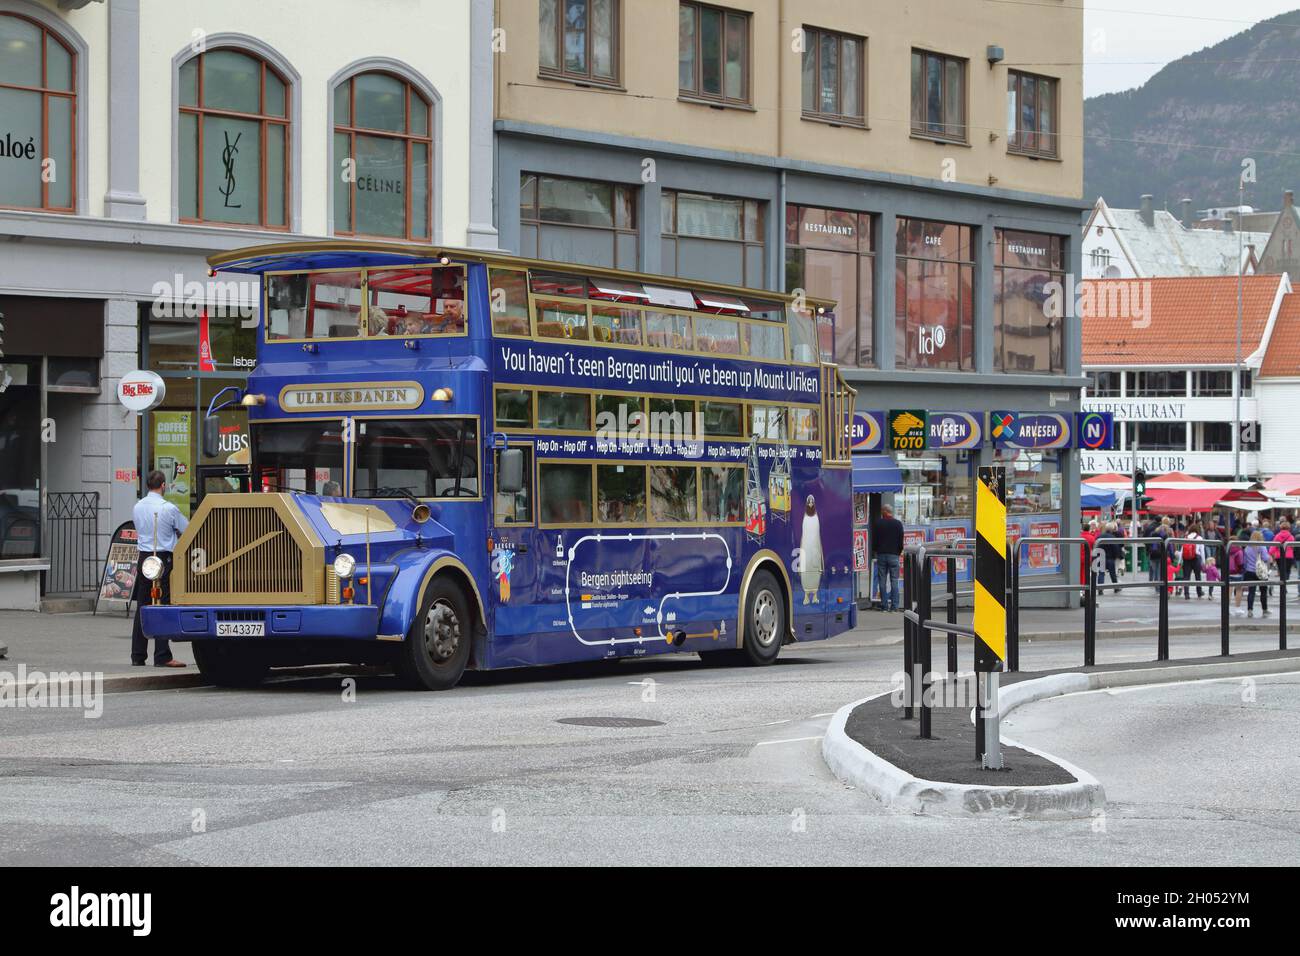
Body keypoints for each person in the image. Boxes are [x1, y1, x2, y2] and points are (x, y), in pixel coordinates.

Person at [131, 470, 189, 668]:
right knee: (162, 605)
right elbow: (186, 529)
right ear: (163, 485)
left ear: (148, 485)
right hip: (163, 558)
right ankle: (162, 655)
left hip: (144, 559)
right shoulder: (168, 508)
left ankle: (137, 655)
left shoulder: (138, 507)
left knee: (143, 605)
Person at [872, 503, 905, 612]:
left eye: (882, 511)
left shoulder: (878, 524)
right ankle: (894, 606)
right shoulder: (898, 524)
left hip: (881, 555)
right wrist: (898, 552)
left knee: (882, 580)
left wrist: (876, 550)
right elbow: (901, 542)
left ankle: (884, 605)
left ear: (885, 512)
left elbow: (874, 540)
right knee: (894, 580)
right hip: (894, 555)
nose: (881, 512)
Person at [1243, 530, 1272, 617]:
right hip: (1260, 572)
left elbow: (1245, 560)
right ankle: (1264, 609)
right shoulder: (1261, 546)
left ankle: (1250, 610)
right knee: (1263, 591)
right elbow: (1265, 558)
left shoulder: (1247, 547)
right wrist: (1270, 558)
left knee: (1251, 591)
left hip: (1249, 571)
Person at [1180, 521, 1205, 599]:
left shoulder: (1186, 537)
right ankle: (1199, 592)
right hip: (1196, 557)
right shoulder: (1199, 538)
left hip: (1186, 558)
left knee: (1186, 577)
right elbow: (1202, 551)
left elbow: (1182, 550)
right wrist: (1203, 562)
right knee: (1198, 576)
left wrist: (1179, 561)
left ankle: (1186, 594)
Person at [1097, 521, 1123, 593]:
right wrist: (1117, 556)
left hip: (1101, 557)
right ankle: (1115, 588)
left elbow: (1096, 547)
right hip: (1110, 558)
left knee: (1101, 573)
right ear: (1112, 530)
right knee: (1112, 573)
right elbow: (1116, 549)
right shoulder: (1113, 537)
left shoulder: (1100, 536)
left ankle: (1100, 588)